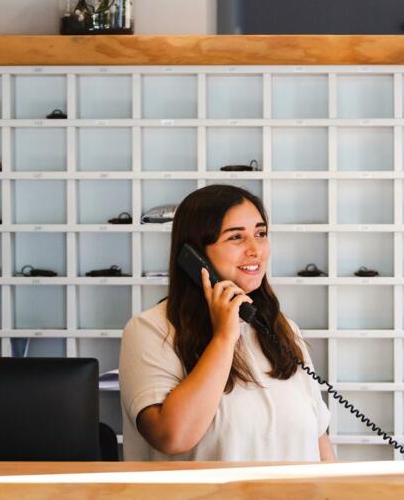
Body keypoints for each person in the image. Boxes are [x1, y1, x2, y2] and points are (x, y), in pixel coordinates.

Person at [119, 184, 333, 461]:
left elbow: (318, 440)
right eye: (236, 237)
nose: (255, 250)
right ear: (194, 255)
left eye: (260, 234)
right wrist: (223, 337)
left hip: (294, 492)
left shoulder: (282, 329)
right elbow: (172, 437)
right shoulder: (150, 329)